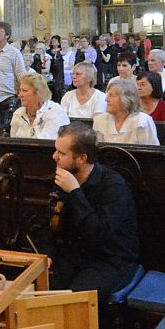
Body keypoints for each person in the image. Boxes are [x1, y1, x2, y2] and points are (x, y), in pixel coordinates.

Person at [48, 124, 140, 306]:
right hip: (74, 254)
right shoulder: (64, 178)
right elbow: (51, 222)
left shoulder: (114, 186)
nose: (54, 156)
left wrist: (75, 192)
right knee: (38, 292)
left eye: (61, 153)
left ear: (81, 158)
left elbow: (98, 233)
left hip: (110, 259)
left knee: (74, 303)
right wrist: (48, 254)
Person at [0, 21, 26, 136]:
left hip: (9, 96)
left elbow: (21, 76)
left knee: (11, 129)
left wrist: (20, 96)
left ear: (7, 35)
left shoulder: (14, 53)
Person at [94, 76, 159, 145]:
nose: (106, 100)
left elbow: (151, 150)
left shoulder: (142, 121)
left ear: (126, 99)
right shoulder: (100, 120)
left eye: (111, 96)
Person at [11, 72, 69, 140]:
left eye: (24, 91)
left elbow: (49, 142)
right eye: (20, 90)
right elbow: (13, 141)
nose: (20, 95)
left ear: (38, 93)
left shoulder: (55, 112)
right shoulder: (18, 114)